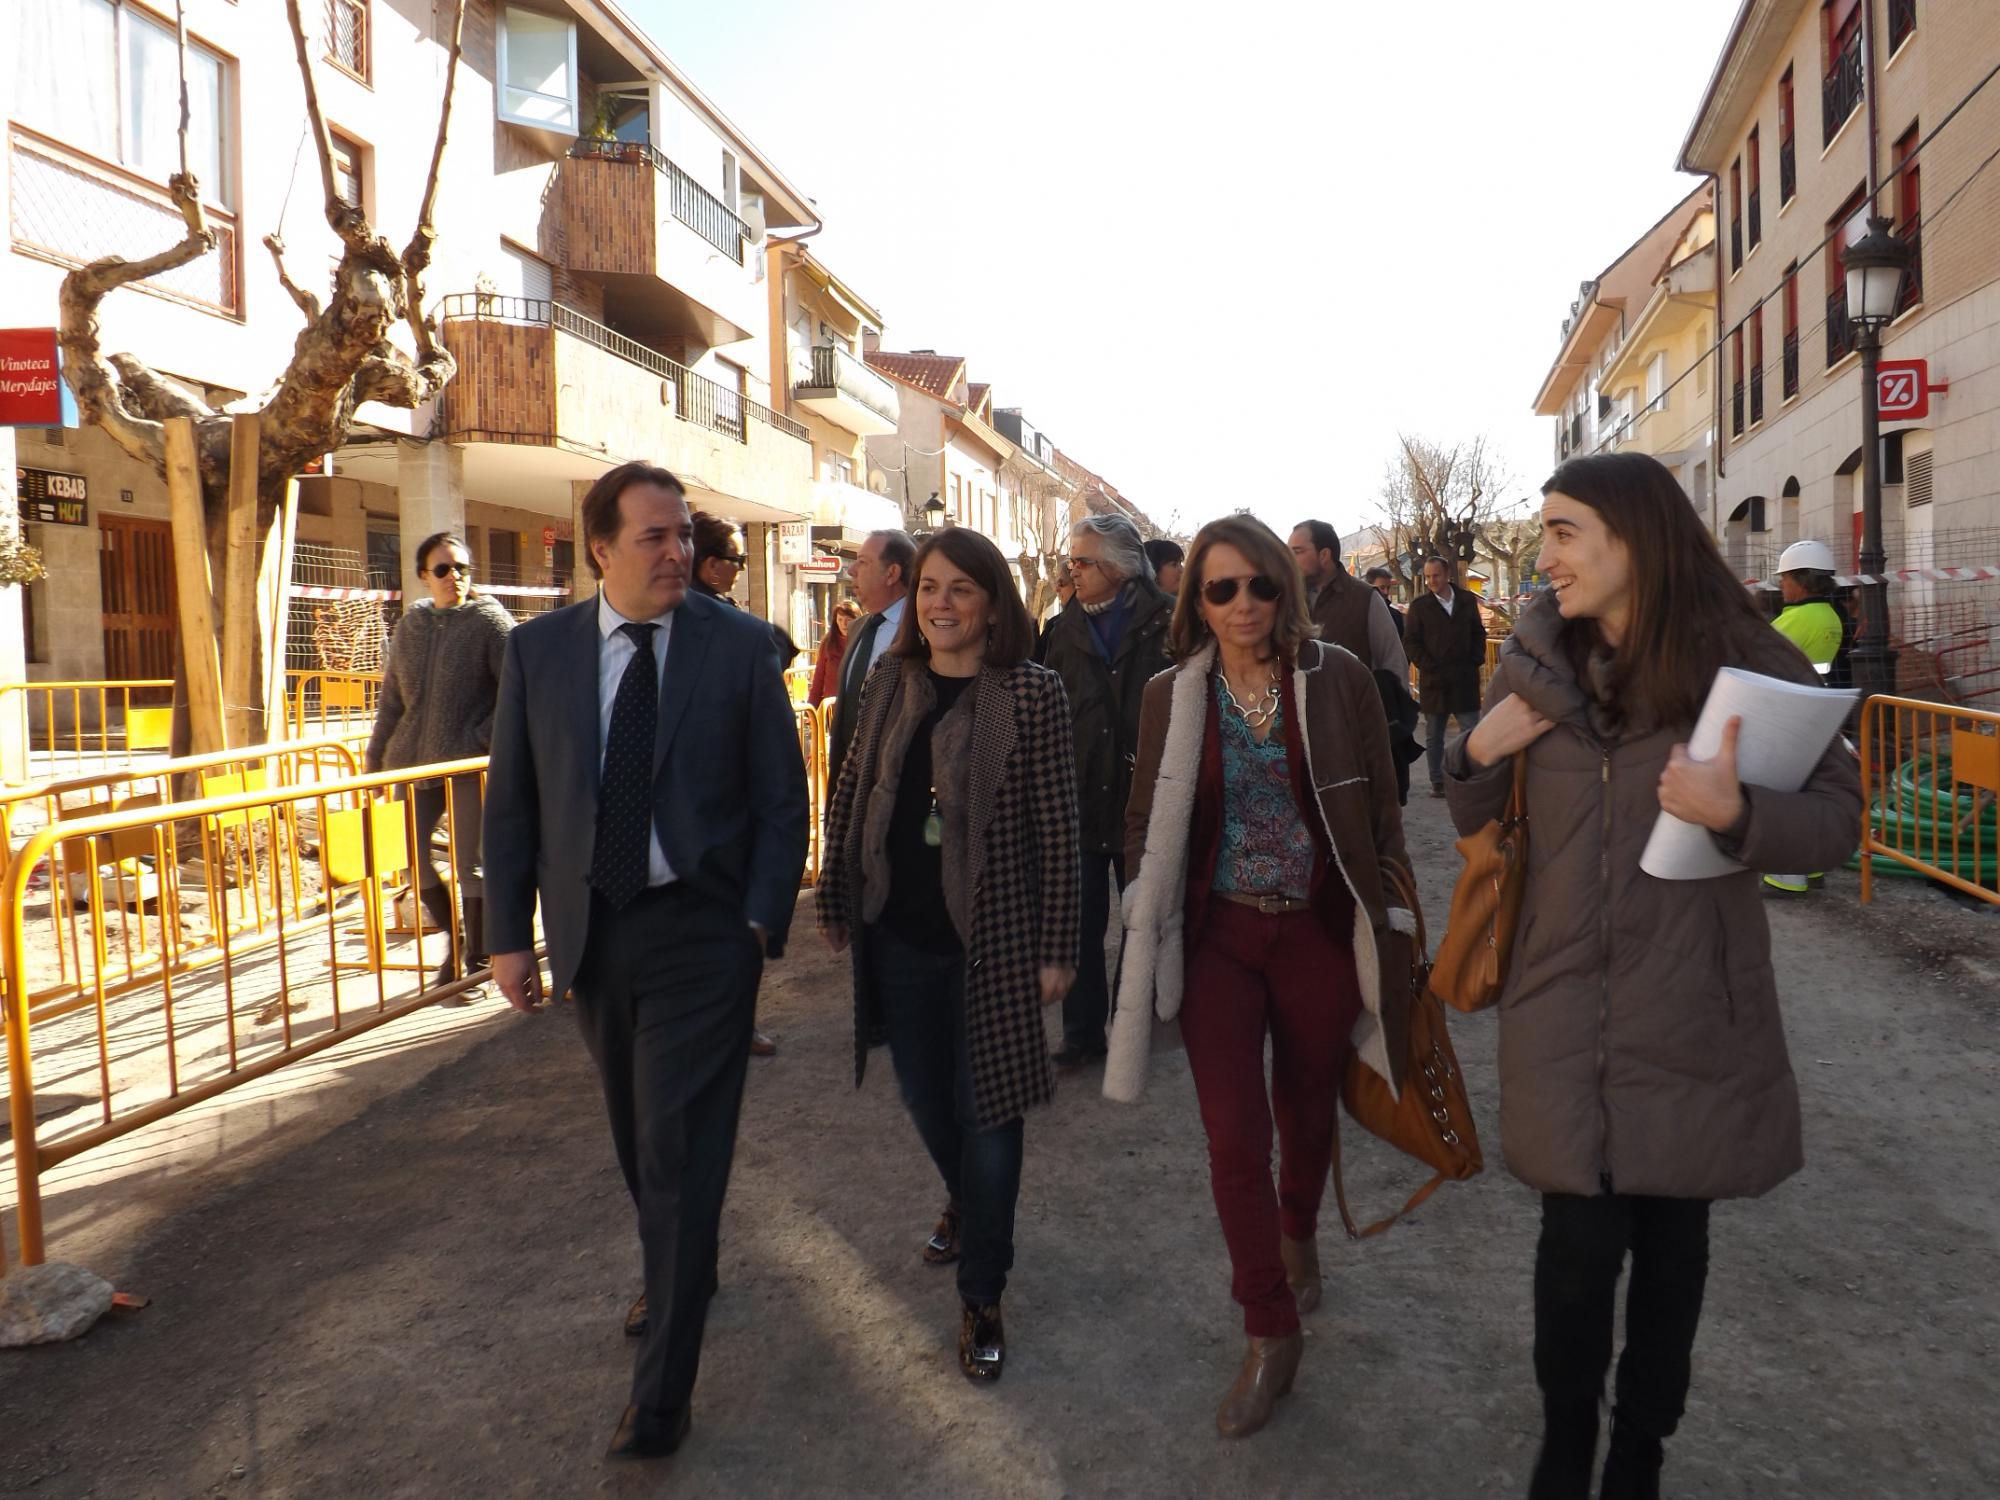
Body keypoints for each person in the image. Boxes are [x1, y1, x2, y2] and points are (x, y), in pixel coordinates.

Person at [1443, 452, 1860, 1499]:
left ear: (1634, 536)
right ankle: (1561, 1445)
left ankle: (1638, 1453)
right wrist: (1474, 754)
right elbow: (1468, 815)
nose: (1543, 557)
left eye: (1562, 531)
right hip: (1558, 1002)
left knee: (1673, 1250)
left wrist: (1737, 815)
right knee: (1572, 1252)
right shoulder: (1532, 659)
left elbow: (1838, 818)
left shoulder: (1747, 661)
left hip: (1691, 1010)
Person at [483, 461, 808, 1462]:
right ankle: (684, 1265)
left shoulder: (741, 647)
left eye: (681, 537)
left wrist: (758, 923)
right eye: (653, 538)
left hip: (704, 939)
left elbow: (780, 799)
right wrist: (504, 934)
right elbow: (512, 802)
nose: (676, 554)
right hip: (594, 936)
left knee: (675, 1150)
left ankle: (661, 1394)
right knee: (638, 1145)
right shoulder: (538, 653)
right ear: (600, 549)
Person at [1105, 514, 1414, 1441]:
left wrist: (1393, 919)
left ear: (1286, 588)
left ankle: (1300, 1228)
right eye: (1219, 588)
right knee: (1234, 1139)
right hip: (1219, 941)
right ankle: (1269, 1328)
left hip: (1318, 932)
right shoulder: (1171, 693)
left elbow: (1385, 815)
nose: (1242, 605)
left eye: (1259, 585)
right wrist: (1139, 899)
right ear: (1194, 600)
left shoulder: (1340, 679)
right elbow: (1140, 814)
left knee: (1306, 1112)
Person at [817, 527, 1080, 1384]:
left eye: (960, 589)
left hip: (996, 940)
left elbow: (1060, 831)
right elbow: (852, 788)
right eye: (930, 587)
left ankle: (982, 1294)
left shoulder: (1031, 694)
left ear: (993, 602)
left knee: (989, 1113)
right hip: (901, 935)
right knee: (926, 1098)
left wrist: (1057, 946)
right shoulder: (894, 678)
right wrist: (834, 891)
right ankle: (971, 1205)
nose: (940, 603)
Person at [1036, 513, 1173, 1070]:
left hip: (1147, 799)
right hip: (1078, 797)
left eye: (1082, 562)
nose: (1073, 571)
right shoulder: (1061, 629)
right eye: (1071, 561)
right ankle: (1081, 1032)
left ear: (1118, 568)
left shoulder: (1169, 624)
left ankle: (1132, 1026)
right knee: (1079, 921)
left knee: (1142, 923)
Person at [364, 532, 513, 1000]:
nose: (456, 578)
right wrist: (375, 758)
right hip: (410, 764)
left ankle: (477, 965)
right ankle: (457, 940)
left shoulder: (490, 622)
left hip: (468, 765)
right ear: (424, 575)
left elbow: (517, 691)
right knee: (413, 861)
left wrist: (479, 738)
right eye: (445, 569)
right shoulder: (411, 625)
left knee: (471, 866)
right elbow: (391, 699)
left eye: (463, 568)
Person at [690, 507, 795, 1057]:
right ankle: (729, 1021)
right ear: (710, 566)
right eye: (736, 559)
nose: (739, 568)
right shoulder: (706, 628)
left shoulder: (731, 624)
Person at [1764, 539, 1851, 894]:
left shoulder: (1797, 619)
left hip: (1787, 713)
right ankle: (1811, 868)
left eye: (1785, 578)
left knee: (1781, 795)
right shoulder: (1830, 616)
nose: (1781, 585)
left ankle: (1787, 875)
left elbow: (1754, 654)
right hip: (1814, 711)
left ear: (1802, 580)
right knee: (1809, 792)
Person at [827, 529, 915, 795]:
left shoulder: (921, 630)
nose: (852, 570)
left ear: (892, 573)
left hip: (894, 790)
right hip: (849, 789)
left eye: (863, 562)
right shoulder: (858, 629)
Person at [1404, 554, 1487, 797]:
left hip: (1464, 679)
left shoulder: (1466, 600)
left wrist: (1476, 658)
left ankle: (1470, 777)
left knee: (1470, 732)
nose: (1432, 581)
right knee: (1434, 735)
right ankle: (1438, 782)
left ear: (1448, 574)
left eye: (1436, 575)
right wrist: (1429, 666)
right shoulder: (1419, 607)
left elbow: (1477, 632)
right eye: (1428, 577)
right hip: (1435, 682)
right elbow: (1411, 642)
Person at [1288, 522, 1408, 682]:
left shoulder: (1365, 598)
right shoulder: (1286, 599)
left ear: (1324, 555)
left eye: (1298, 552)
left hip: (1352, 705)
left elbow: (1393, 662)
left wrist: (1392, 704)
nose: (1290, 559)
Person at [692, 510, 799, 671]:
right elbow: (775, 653)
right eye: (739, 559)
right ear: (712, 564)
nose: (743, 567)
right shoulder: (708, 616)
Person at [809, 598, 862, 707]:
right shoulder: (828, 642)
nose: (844, 624)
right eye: (840, 619)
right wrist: (811, 708)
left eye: (849, 619)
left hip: (858, 706)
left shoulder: (865, 641)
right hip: (832, 707)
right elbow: (819, 677)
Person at [1363, 566, 1405, 640]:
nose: (1386, 592)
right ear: (1369, 586)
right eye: (1382, 587)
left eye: (1388, 588)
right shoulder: (1359, 612)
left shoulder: (1395, 614)